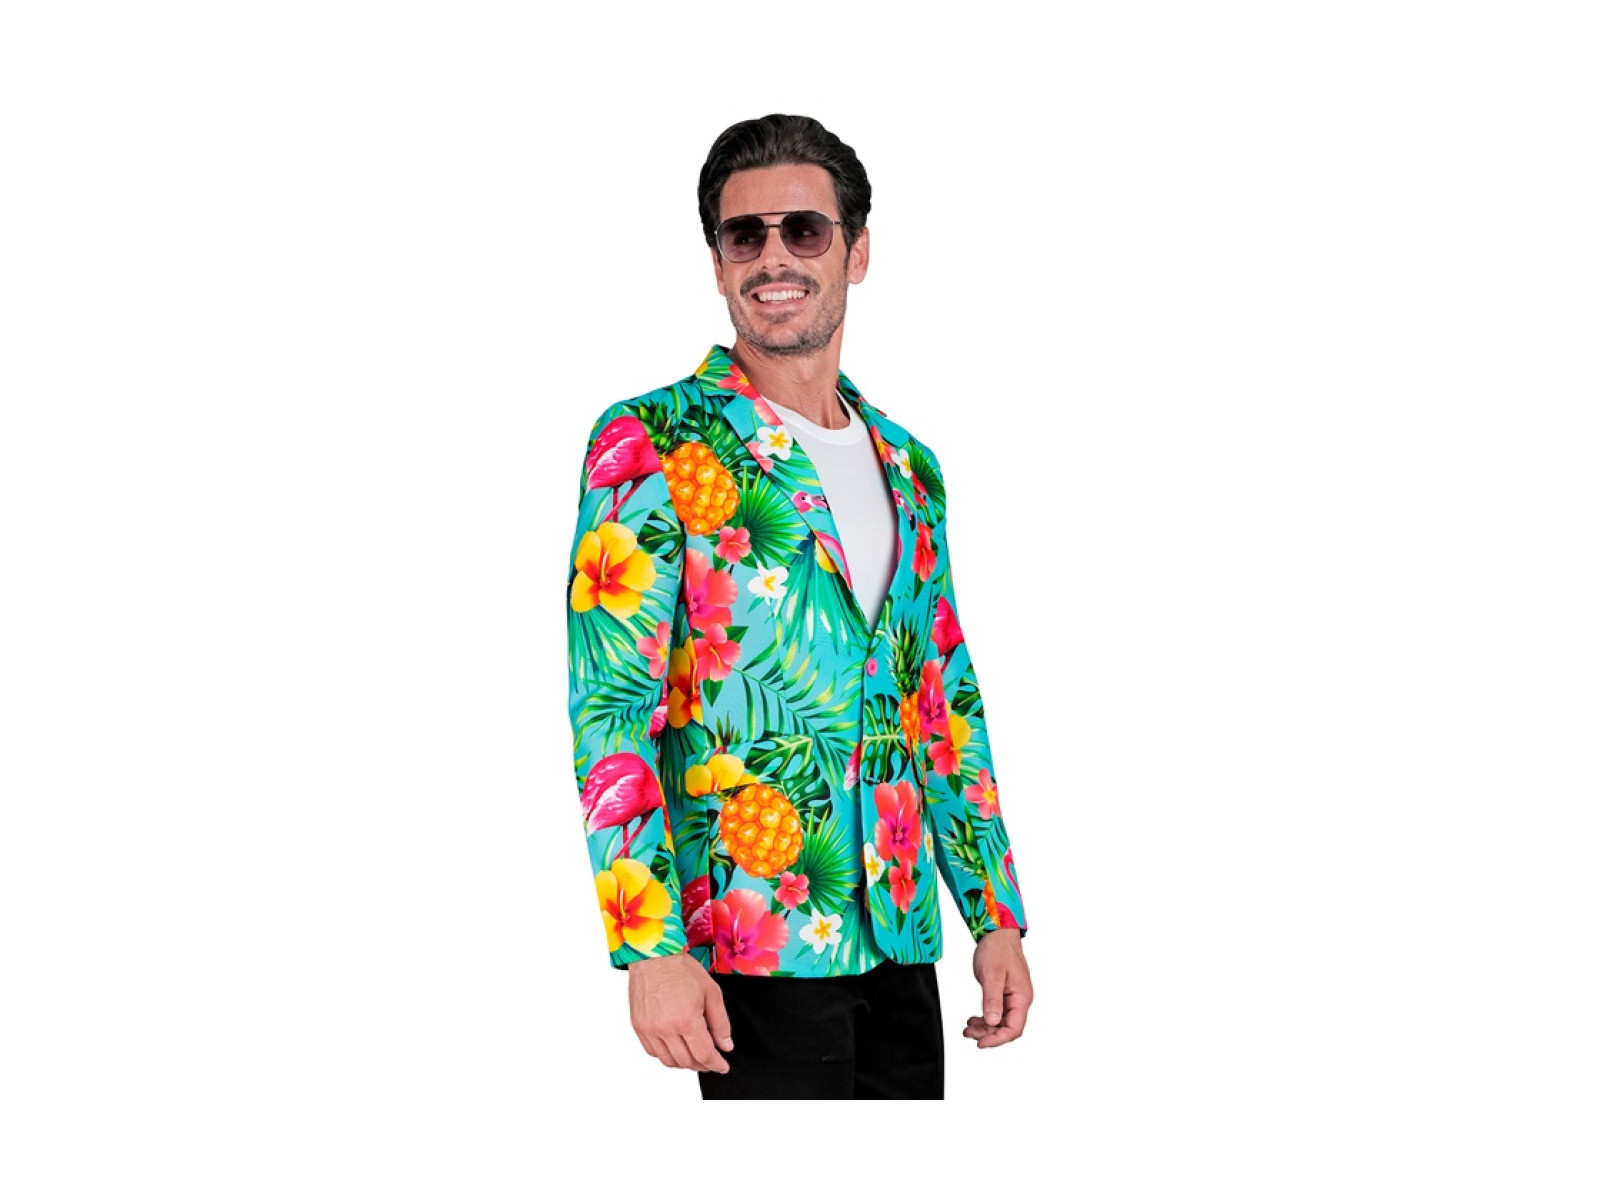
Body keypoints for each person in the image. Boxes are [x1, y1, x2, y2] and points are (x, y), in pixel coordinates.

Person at [565, 114, 1033, 1100]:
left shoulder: (909, 464)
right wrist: (649, 946)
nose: (773, 257)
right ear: (718, 263)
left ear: (856, 253)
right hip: (751, 942)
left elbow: (943, 698)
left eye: (804, 231)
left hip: (901, 937)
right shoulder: (651, 440)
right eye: (746, 235)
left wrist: (993, 916)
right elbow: (611, 707)